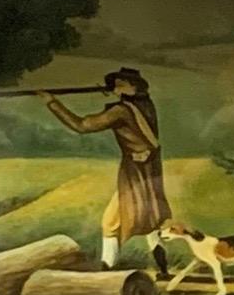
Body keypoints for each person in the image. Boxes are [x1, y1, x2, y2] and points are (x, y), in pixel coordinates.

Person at [44, 64, 168, 270]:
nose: (116, 87)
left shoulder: (121, 110)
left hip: (135, 172)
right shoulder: (145, 104)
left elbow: (81, 126)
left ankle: (106, 270)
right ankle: (164, 270)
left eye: (122, 83)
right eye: (116, 83)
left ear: (134, 87)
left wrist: (52, 103)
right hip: (148, 168)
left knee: (110, 223)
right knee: (150, 221)